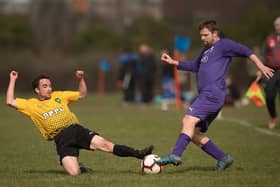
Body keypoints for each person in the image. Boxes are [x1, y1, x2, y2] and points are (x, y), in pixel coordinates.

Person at [156, 20, 274, 171]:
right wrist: (174, 62)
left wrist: (261, 65)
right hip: (208, 96)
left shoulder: (224, 45)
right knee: (192, 133)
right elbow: (194, 66)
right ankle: (223, 158)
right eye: (201, 35)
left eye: (205, 35)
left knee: (187, 120)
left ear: (215, 34)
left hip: (212, 94)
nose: (202, 38)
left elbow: (246, 51)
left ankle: (175, 155)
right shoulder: (205, 51)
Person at [6, 70, 153, 176]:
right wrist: (13, 80)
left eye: (50, 85)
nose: (49, 88)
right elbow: (9, 101)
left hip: (76, 130)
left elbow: (82, 94)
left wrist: (81, 79)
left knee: (107, 145)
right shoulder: (30, 105)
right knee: (74, 173)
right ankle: (75, 165)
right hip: (61, 138)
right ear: (37, 90)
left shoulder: (59, 96)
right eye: (45, 86)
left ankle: (139, 154)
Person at [262, 16, 280, 129]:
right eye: (277, 25)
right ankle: (273, 116)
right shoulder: (269, 39)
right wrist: (261, 68)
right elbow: (263, 54)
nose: (278, 27)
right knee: (269, 96)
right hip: (271, 71)